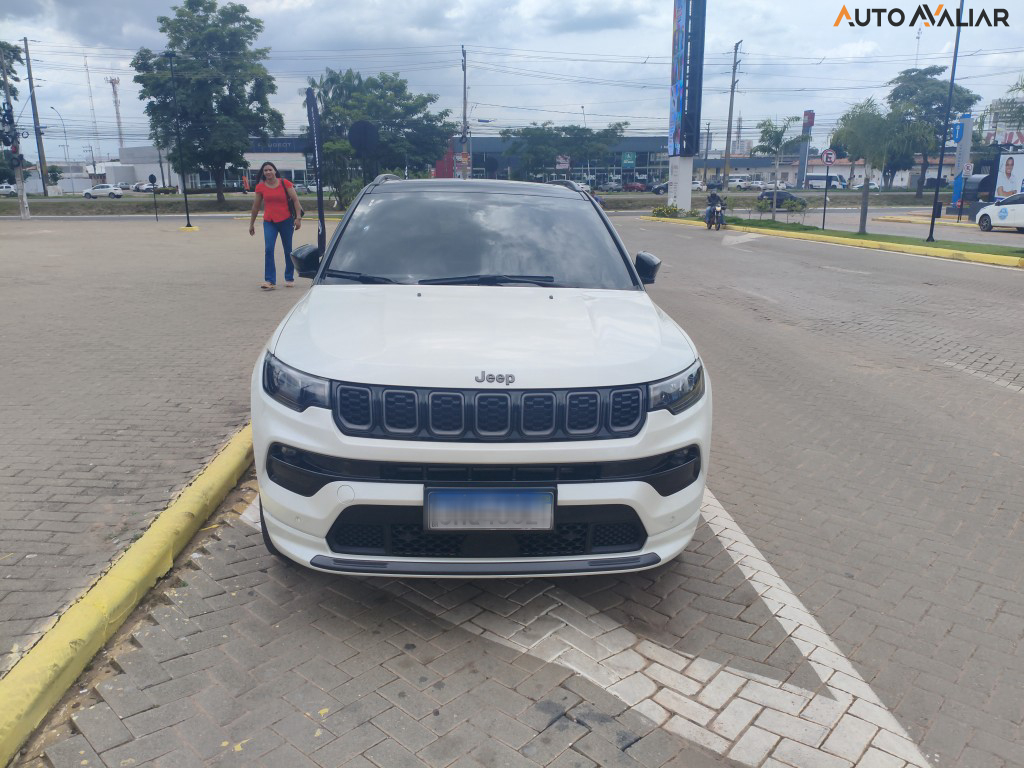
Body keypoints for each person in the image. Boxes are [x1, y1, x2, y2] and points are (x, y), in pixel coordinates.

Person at [248, 161, 302, 290]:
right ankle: (270, 280)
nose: (268, 172)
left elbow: (295, 200)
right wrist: (251, 224)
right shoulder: (260, 187)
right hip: (269, 222)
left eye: (270, 170)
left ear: (275, 171)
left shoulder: (285, 183)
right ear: (263, 173)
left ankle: (289, 278)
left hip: (286, 221)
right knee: (268, 249)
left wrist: (298, 218)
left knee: (288, 249)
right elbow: (256, 206)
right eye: (265, 170)